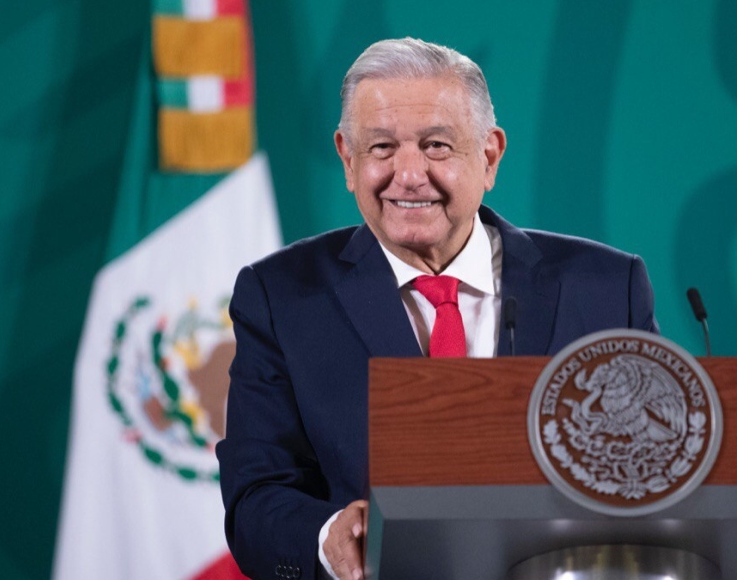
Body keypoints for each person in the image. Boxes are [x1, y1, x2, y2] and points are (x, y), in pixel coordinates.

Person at [216, 37, 659, 580]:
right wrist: (328, 532)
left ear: (490, 155)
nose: (408, 174)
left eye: (436, 146)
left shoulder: (608, 289)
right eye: (381, 148)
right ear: (348, 160)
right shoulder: (280, 296)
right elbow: (256, 494)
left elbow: (661, 468)